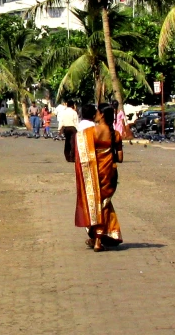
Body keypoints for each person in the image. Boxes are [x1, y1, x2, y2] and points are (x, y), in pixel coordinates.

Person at [74, 103, 123, 252]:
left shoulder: (90, 132)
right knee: (104, 205)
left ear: (101, 114)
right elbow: (120, 158)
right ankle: (99, 239)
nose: (95, 114)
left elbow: (82, 152)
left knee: (94, 204)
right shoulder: (116, 134)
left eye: (97, 112)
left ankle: (97, 240)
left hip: (94, 173)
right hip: (109, 174)